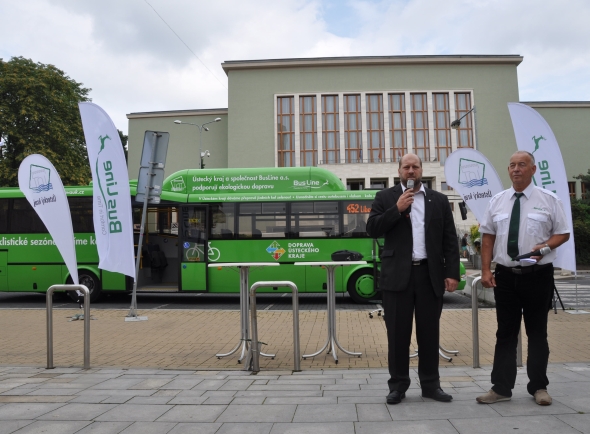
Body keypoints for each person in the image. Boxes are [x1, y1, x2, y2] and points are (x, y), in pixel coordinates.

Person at [477, 151, 570, 406]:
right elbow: (488, 238)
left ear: (533, 169)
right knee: (505, 333)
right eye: (512, 165)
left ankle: (539, 387)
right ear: (508, 171)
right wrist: (486, 270)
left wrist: (545, 248)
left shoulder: (549, 200)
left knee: (537, 332)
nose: (516, 169)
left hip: (537, 276)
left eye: (522, 165)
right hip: (505, 277)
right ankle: (501, 388)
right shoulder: (497, 201)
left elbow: (562, 233)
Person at [367, 153, 460, 405]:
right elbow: (372, 228)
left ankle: (431, 385)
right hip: (398, 276)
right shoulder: (385, 197)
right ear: (399, 171)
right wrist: (396, 209)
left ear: (422, 171)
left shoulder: (438, 200)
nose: (411, 171)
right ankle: (397, 386)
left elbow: (449, 239)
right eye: (406, 167)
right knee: (397, 333)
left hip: (430, 274)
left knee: (429, 332)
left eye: (415, 167)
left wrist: (452, 273)